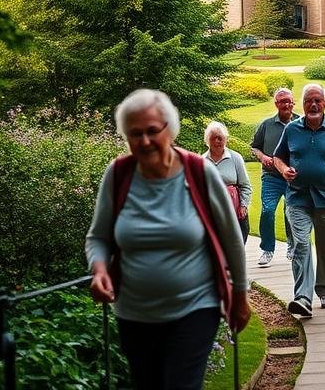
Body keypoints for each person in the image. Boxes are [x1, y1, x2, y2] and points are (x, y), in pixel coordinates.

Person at [86, 89, 250, 390]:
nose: (145, 141)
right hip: (134, 314)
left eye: (152, 131)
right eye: (135, 133)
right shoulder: (118, 174)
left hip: (195, 307)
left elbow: (231, 240)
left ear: (170, 130)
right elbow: (98, 237)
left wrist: (240, 295)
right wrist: (98, 270)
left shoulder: (199, 173)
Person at [274, 83, 325, 317]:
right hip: (298, 197)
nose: (314, 104)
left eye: (318, 100)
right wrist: (283, 169)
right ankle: (302, 296)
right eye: (309, 100)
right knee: (300, 244)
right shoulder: (291, 130)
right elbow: (278, 157)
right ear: (303, 103)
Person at [251, 87, 299, 266]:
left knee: (292, 212)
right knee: (268, 211)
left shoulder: (301, 122)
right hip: (271, 177)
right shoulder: (267, 125)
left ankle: (292, 246)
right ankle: (267, 249)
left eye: (289, 101)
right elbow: (254, 146)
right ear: (276, 104)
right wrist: (262, 157)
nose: (286, 104)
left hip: (294, 178)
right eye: (282, 101)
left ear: (293, 102)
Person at [202, 121, 252, 243]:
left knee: (237, 242)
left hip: (234, 207)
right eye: (213, 138)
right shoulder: (202, 160)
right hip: (212, 208)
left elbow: (246, 186)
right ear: (207, 140)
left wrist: (243, 205)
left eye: (220, 138)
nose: (217, 141)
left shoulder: (235, 158)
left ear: (226, 139)